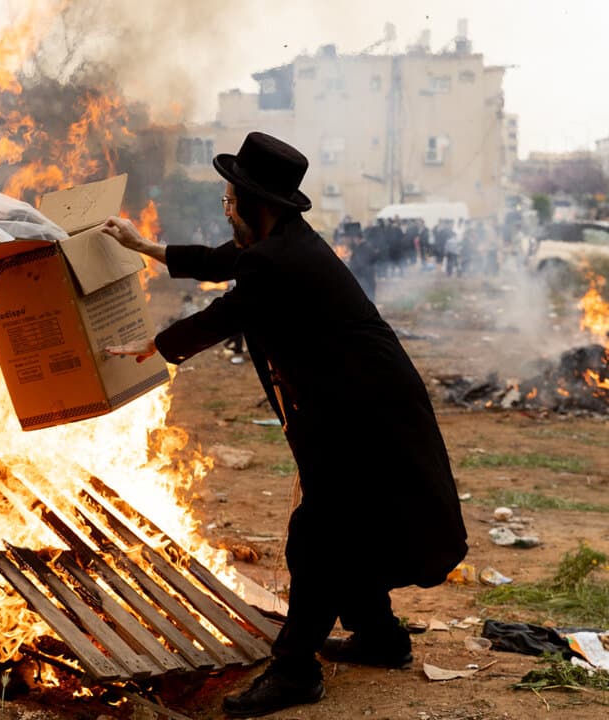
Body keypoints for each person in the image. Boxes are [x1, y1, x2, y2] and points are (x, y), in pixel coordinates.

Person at [100, 132, 467, 717]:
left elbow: (228, 310)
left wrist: (156, 344)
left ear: (255, 202)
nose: (225, 207)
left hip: (366, 416)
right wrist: (142, 244)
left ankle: (296, 671)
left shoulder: (281, 259)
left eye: (228, 199)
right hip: (356, 408)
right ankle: (381, 638)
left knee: (318, 535)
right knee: (352, 524)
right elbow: (224, 263)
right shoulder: (280, 243)